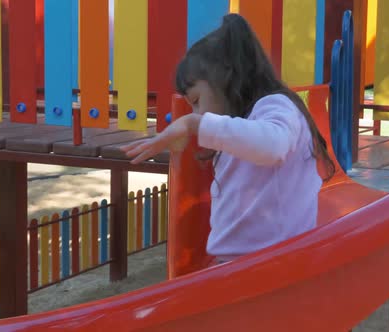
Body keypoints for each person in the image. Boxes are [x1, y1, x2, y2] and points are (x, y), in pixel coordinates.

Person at [121, 13, 335, 265]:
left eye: (197, 101)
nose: (196, 113)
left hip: (271, 264)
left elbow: (274, 146)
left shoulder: (276, 105)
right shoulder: (241, 126)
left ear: (227, 79)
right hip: (242, 263)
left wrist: (194, 123)